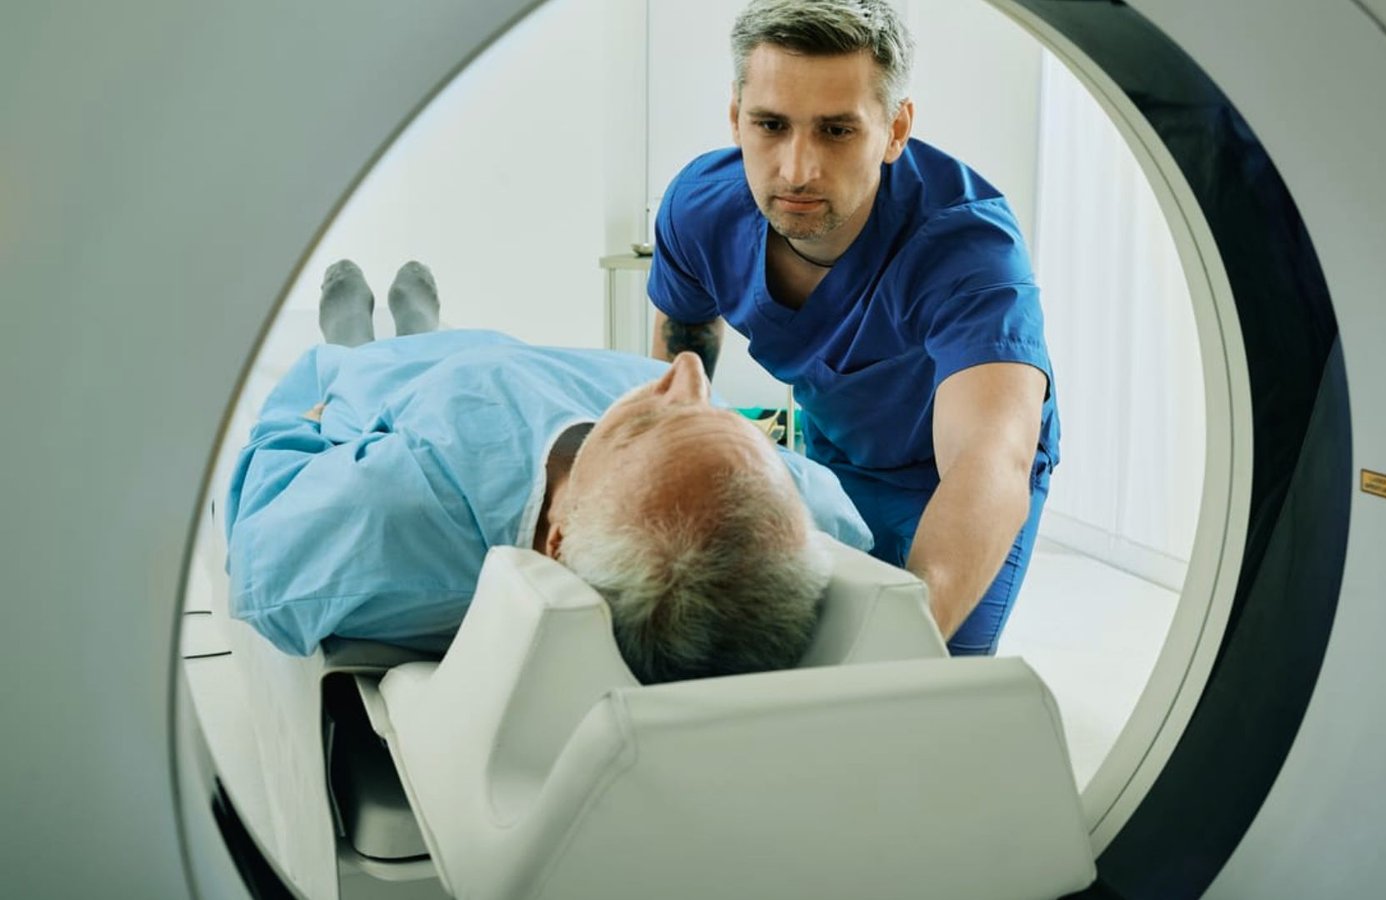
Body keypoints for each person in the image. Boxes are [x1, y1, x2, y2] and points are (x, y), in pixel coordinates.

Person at [225, 260, 873, 684]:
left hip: (404, 397)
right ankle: (426, 327)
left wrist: (303, 420)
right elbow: (840, 517)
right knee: (469, 342)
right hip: (528, 364)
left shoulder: (399, 515)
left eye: (651, 424)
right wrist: (682, 429)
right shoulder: (806, 513)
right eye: (712, 416)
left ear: (557, 541)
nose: (689, 371)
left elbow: (261, 540)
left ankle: (350, 341)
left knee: (358, 366)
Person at [648, 0, 1058, 655]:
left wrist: (899, 654)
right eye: (771, 124)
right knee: (792, 643)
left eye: (837, 131)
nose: (797, 169)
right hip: (838, 453)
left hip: (954, 477)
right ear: (735, 118)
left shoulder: (967, 246)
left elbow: (989, 457)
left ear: (896, 129)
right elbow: (682, 349)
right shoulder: (701, 210)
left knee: (923, 673)